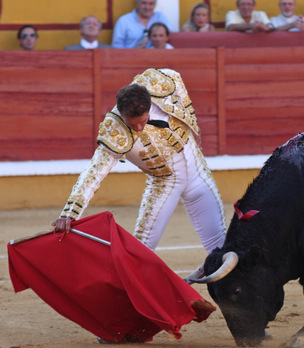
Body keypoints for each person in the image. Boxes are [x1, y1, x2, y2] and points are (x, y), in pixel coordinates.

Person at [54, 68, 226, 255]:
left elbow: (178, 85)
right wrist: (69, 213)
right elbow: (94, 173)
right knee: (141, 250)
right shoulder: (115, 129)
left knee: (220, 245)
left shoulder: (162, 81)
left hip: (197, 171)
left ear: (149, 105)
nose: (138, 128)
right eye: (132, 124)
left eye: (143, 122)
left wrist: (191, 122)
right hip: (165, 184)